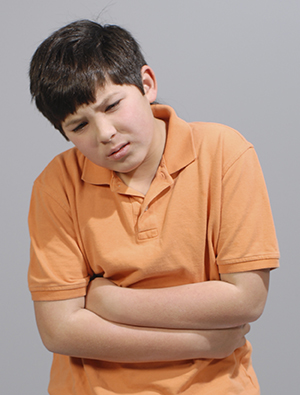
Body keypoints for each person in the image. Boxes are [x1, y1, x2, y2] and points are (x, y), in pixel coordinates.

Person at [28, 19, 279, 395]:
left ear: (146, 84)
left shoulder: (224, 152)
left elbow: (246, 298)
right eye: (80, 126)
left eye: (112, 105)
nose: (105, 133)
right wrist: (204, 342)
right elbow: (59, 329)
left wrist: (110, 300)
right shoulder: (56, 185)